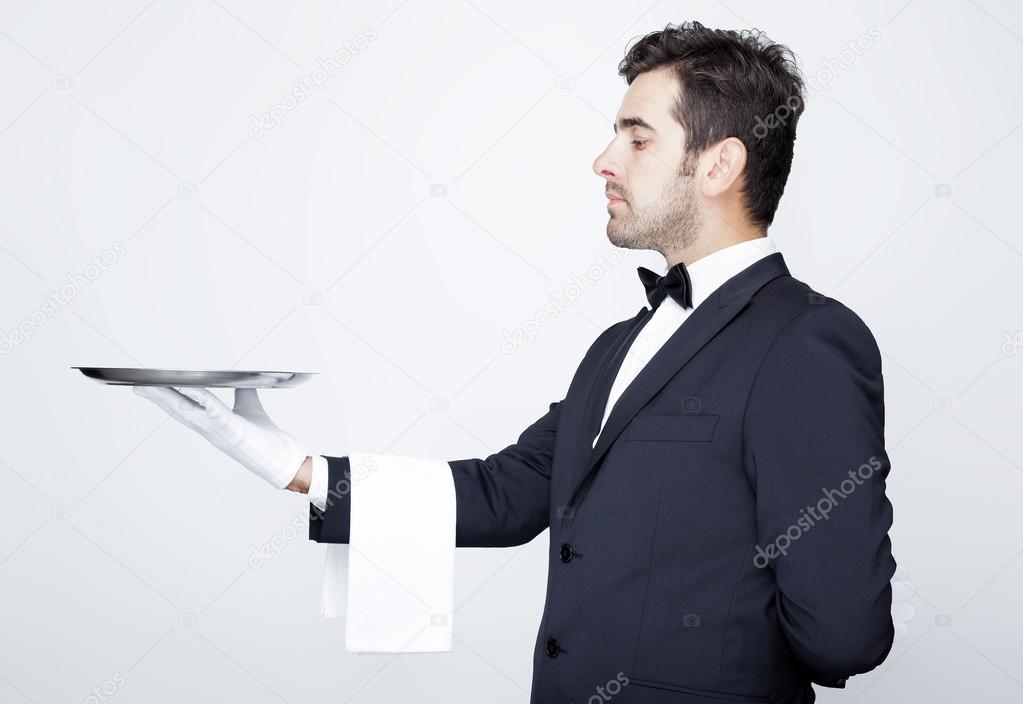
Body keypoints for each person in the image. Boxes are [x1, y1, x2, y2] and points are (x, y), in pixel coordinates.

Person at [136, 21, 896, 703]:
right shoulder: (618, 345)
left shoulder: (807, 343)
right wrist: (292, 465)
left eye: (636, 138)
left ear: (719, 163)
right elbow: (509, 492)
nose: (602, 160)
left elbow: (842, 633)